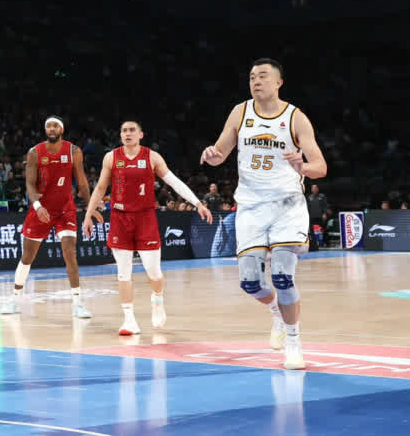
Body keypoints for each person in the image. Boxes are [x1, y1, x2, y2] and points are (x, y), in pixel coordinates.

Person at [200, 59, 327, 370]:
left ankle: (294, 343)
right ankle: (275, 313)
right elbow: (220, 154)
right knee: (250, 283)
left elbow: (320, 167)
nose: (256, 81)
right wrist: (211, 156)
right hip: (251, 207)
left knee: (283, 276)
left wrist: (302, 167)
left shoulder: (295, 118)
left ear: (278, 82)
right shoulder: (240, 112)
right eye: (252, 77)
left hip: (286, 206)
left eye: (263, 76)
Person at [86, 120, 211, 336]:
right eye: (124, 130)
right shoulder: (111, 157)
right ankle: (129, 320)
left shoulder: (152, 157)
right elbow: (100, 188)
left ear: (141, 134)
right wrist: (88, 214)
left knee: (154, 272)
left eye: (132, 130)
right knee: (123, 273)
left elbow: (174, 182)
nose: (127, 133)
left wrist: (197, 202)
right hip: (120, 218)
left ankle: (157, 298)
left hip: (145, 218)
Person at [4, 116, 92, 318]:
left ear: (62, 129)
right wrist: (37, 206)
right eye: (48, 126)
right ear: (45, 130)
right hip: (41, 209)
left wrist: (90, 206)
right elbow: (29, 184)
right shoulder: (35, 152)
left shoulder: (73, 151)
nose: (52, 129)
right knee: (27, 256)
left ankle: (78, 303)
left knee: (70, 252)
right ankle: (14, 299)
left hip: (65, 208)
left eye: (55, 126)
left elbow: (82, 182)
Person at [306, 183, 328, 251]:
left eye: (315, 188)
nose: (314, 189)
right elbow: (308, 207)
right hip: (312, 216)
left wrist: (324, 213)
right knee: (311, 231)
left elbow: (325, 206)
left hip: (320, 216)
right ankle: (313, 244)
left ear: (317, 189)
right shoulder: (309, 197)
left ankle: (326, 242)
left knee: (324, 229)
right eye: (312, 188)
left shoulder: (322, 196)